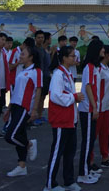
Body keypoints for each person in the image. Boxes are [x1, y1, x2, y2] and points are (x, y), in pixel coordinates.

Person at [45, 45, 84, 191]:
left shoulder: (66, 73)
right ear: (64, 58)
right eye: (72, 56)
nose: (75, 58)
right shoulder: (58, 74)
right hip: (61, 119)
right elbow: (55, 96)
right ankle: (50, 184)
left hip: (70, 119)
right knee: (57, 152)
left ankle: (69, 180)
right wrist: (74, 97)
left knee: (69, 152)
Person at [4, 44, 42, 177]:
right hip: (15, 105)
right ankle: (22, 166)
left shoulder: (36, 71)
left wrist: (34, 110)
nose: (20, 56)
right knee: (20, 134)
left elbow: (38, 90)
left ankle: (29, 144)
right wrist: (9, 108)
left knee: (11, 136)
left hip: (24, 107)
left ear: (31, 57)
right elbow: (17, 91)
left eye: (23, 54)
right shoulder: (22, 70)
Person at [77, 39, 103, 185]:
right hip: (87, 109)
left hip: (91, 108)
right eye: (101, 48)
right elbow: (88, 87)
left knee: (90, 140)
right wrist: (94, 107)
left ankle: (86, 168)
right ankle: (82, 173)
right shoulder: (89, 67)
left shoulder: (94, 67)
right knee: (87, 141)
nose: (103, 51)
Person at [97, 45, 109, 170]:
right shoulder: (98, 69)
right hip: (99, 106)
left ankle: (105, 158)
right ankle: (89, 161)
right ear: (107, 55)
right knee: (94, 134)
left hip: (105, 106)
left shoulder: (107, 68)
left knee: (105, 133)